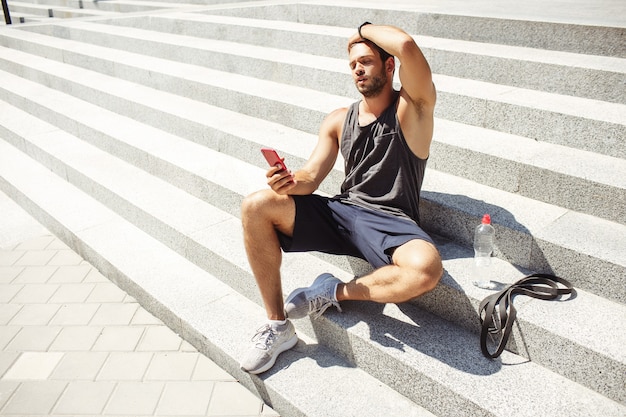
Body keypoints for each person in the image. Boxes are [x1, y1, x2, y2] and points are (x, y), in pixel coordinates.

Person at [239, 22, 443, 375]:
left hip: (390, 221)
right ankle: (278, 326)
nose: (358, 70)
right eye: (352, 64)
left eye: (366, 61)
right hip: (344, 212)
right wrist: (288, 182)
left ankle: (333, 291)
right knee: (257, 204)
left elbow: (406, 45)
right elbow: (311, 176)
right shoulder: (338, 120)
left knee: (425, 269)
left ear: (389, 66)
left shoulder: (412, 110)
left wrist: (362, 29)